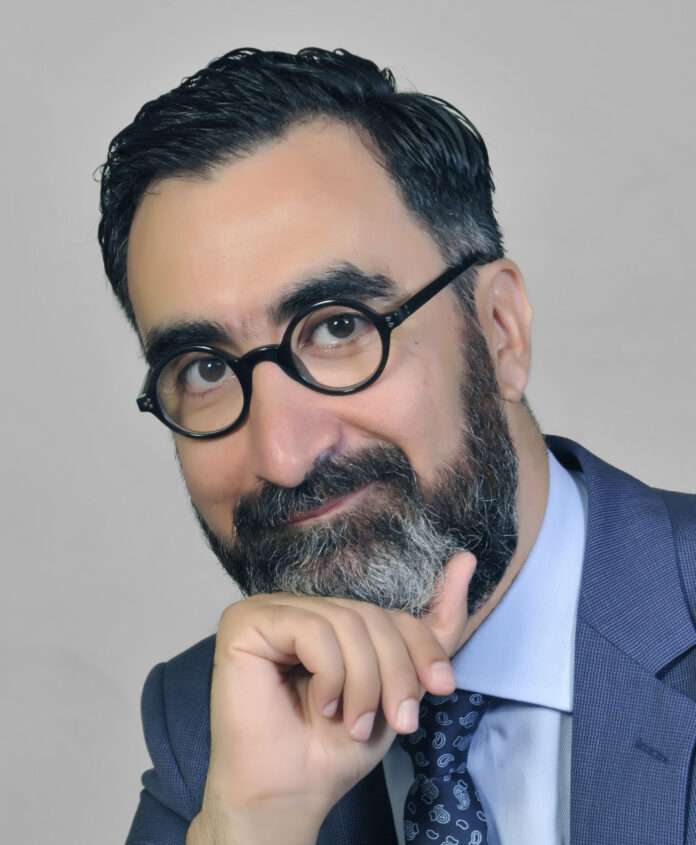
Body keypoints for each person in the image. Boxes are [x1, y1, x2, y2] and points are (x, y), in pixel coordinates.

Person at [97, 47, 696, 845]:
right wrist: (257, 824)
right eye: (203, 369)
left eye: (338, 326)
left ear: (500, 330)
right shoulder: (213, 728)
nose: (282, 455)